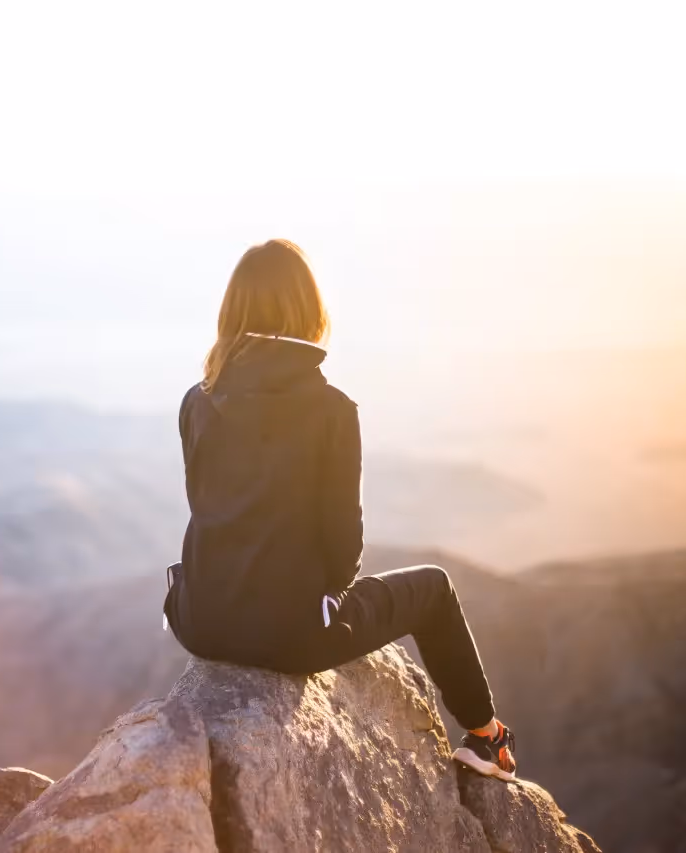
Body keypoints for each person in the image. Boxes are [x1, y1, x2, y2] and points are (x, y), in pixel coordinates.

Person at [162, 238, 517, 781]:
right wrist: (321, 598)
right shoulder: (330, 410)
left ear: (231, 311)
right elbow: (343, 550)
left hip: (198, 620)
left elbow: (205, 505)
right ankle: (486, 737)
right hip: (291, 636)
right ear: (310, 312)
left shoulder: (197, 398)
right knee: (436, 588)